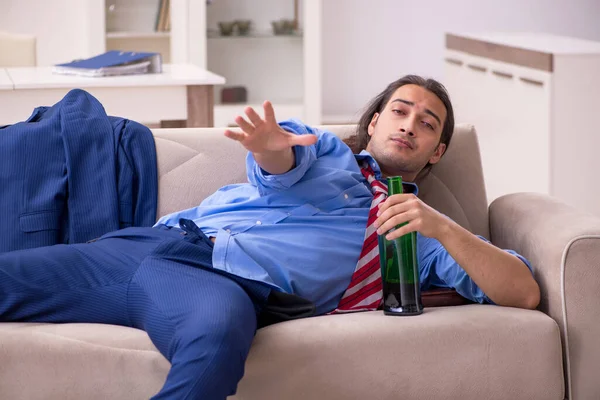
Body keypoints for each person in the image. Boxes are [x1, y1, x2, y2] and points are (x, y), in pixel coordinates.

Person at [0, 75, 540, 399]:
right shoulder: (328, 153)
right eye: (399, 111)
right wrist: (267, 145)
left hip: (217, 284)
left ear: (437, 151)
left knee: (214, 342)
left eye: (427, 123)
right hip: (145, 245)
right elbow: (283, 161)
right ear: (373, 123)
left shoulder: (417, 239)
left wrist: (441, 224)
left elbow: (523, 292)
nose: (409, 124)